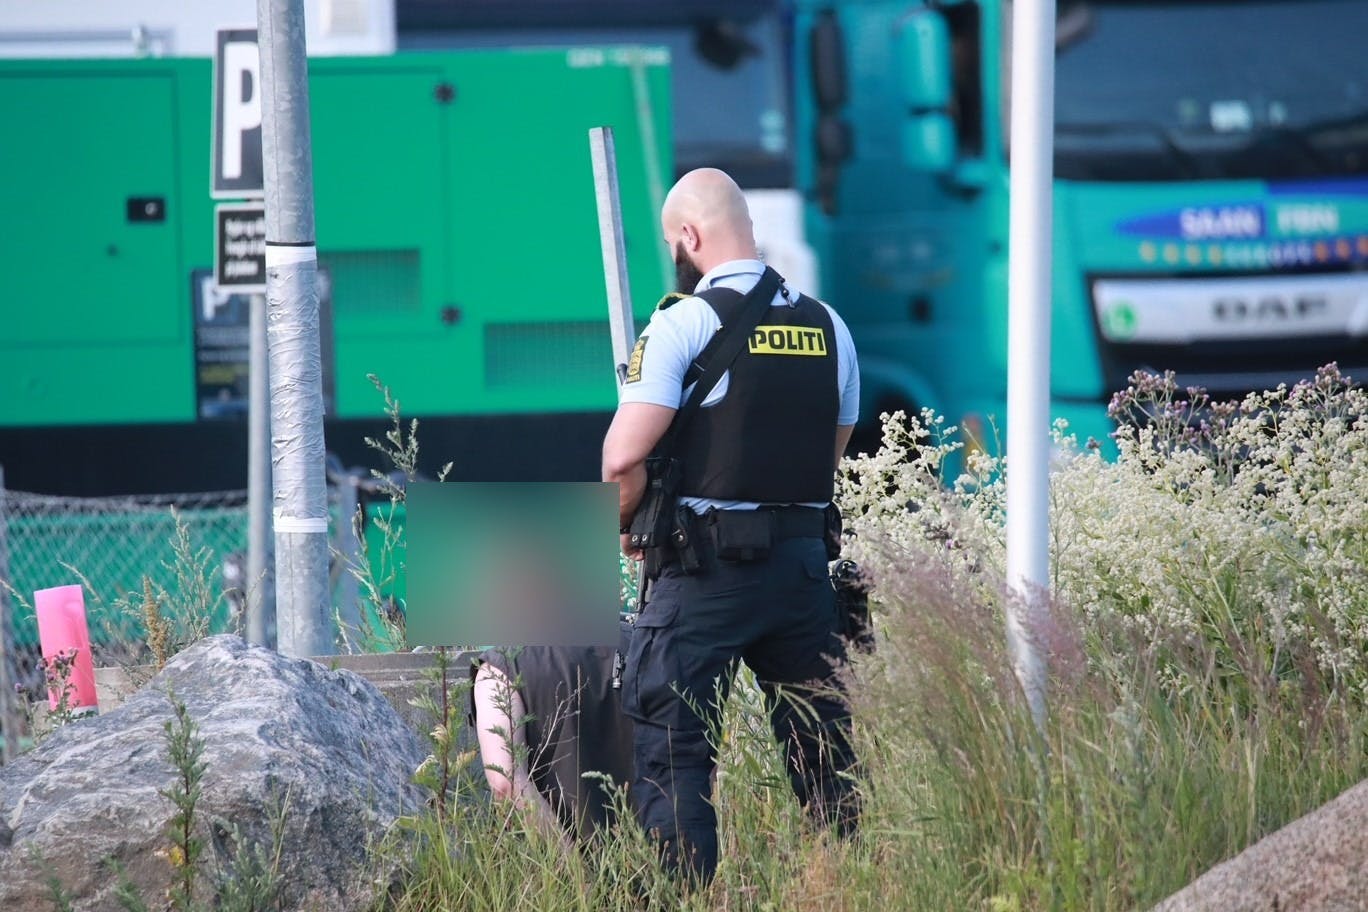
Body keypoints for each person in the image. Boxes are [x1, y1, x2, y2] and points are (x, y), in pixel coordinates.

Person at [601, 167, 861, 885]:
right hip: (804, 576)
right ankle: (848, 886)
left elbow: (622, 457)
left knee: (675, 755)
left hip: (702, 576)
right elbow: (826, 455)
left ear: (688, 236)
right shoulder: (829, 325)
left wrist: (625, 524)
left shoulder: (683, 321)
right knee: (824, 754)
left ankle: (686, 896)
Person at [469, 632, 635, 844]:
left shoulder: (500, 668)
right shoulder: (640, 639)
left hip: (565, 861)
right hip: (662, 860)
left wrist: (575, 869)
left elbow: (505, 783)